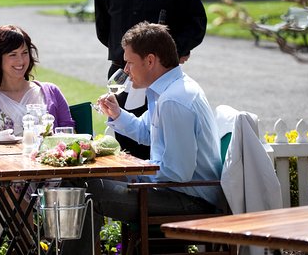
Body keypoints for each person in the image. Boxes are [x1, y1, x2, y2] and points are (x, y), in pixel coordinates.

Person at [77, 22, 223, 253]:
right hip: (175, 191)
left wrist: (131, 172)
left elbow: (178, 172)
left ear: (151, 60)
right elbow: (146, 132)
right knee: (82, 184)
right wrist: (117, 113)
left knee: (86, 191)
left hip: (189, 200)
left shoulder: (174, 99)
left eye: (130, 62)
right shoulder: (166, 90)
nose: (126, 69)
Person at [94, 0, 207, 159]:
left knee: (159, 150)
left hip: (162, 76)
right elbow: (104, 31)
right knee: (123, 149)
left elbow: (196, 23)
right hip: (122, 76)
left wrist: (170, 55)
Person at [0, 25, 75, 255]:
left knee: (4, 185)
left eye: (25, 53)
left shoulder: (50, 91)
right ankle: (32, 248)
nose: (21, 60)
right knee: (7, 182)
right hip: (4, 175)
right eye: (13, 54)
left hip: (47, 176)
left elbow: (68, 134)